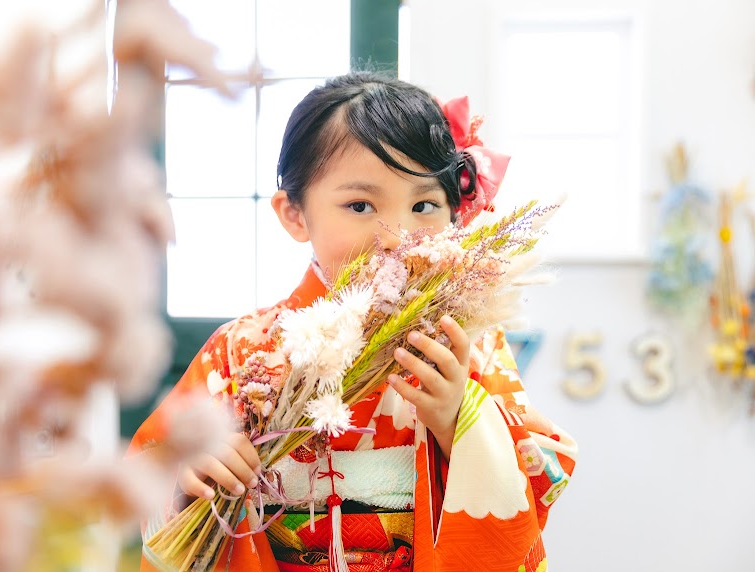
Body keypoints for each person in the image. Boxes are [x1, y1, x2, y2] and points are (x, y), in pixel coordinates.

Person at [129, 71, 578, 572]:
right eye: (360, 205)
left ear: (455, 213)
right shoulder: (240, 351)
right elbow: (145, 474)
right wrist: (190, 473)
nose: (397, 235)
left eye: (424, 204)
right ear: (294, 214)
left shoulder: (466, 346)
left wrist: (459, 420)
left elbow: (539, 468)